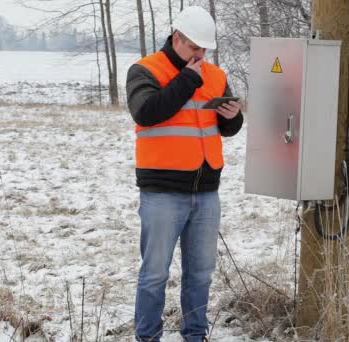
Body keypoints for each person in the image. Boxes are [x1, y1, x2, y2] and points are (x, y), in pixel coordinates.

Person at [125, 6, 243, 342]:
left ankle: (195, 335)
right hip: (162, 192)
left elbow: (226, 127)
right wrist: (189, 79)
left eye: (205, 49)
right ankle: (147, 337)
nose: (200, 55)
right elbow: (147, 112)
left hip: (206, 191)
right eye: (194, 48)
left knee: (201, 274)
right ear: (176, 38)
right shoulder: (145, 69)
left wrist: (233, 116)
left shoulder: (215, 74)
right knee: (154, 274)